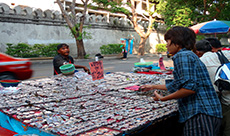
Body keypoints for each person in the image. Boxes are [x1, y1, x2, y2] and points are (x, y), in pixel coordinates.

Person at [140, 26, 222, 136]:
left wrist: (164, 98)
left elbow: (189, 89)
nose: (166, 45)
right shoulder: (188, 55)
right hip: (207, 112)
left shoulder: (182, 56)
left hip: (200, 113)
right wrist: (154, 86)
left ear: (177, 43)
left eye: (168, 41)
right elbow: (181, 83)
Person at [195, 39, 230, 136]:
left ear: (197, 52)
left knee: (226, 129)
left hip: (226, 101)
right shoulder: (225, 53)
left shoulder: (200, 61)